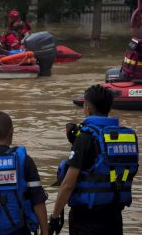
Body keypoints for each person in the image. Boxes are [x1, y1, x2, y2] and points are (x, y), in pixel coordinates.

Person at [49, 85, 138, 235]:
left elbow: (68, 185)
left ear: (88, 108)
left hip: (86, 219)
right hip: (114, 217)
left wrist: (55, 217)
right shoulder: (125, 137)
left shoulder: (85, 137)